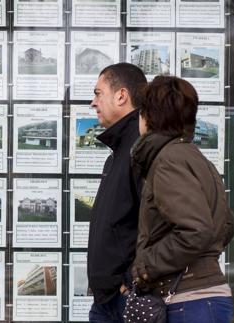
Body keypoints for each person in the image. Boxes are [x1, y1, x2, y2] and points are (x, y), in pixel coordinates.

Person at [130, 75, 234, 322]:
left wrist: (146, 266)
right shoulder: (197, 158)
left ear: (148, 116)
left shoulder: (168, 161)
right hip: (205, 296)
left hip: (188, 299)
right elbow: (226, 225)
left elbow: (196, 231)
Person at [87, 63, 147, 322]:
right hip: (108, 299)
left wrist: (128, 282)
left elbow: (158, 224)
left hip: (125, 298)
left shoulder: (141, 149)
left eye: (98, 93)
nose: (93, 102)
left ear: (121, 95)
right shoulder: (119, 153)